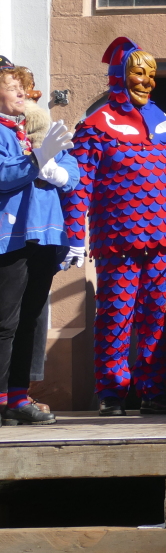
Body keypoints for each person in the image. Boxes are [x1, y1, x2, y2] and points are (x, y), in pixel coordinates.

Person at [63, 38, 166, 416]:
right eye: (139, 74)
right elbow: (78, 185)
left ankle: (153, 390)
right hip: (117, 240)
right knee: (116, 315)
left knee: (154, 318)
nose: (147, 82)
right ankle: (111, 393)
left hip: (161, 239)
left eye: (152, 75)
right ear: (119, 76)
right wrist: (74, 237)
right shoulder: (96, 127)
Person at [0, 57, 77, 425]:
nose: (21, 91)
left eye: (21, 85)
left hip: (44, 234)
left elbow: (71, 170)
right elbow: (2, 174)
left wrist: (59, 170)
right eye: (11, 84)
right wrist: (35, 162)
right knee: (5, 321)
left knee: (31, 318)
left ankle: (17, 396)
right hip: (10, 237)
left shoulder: (33, 127)